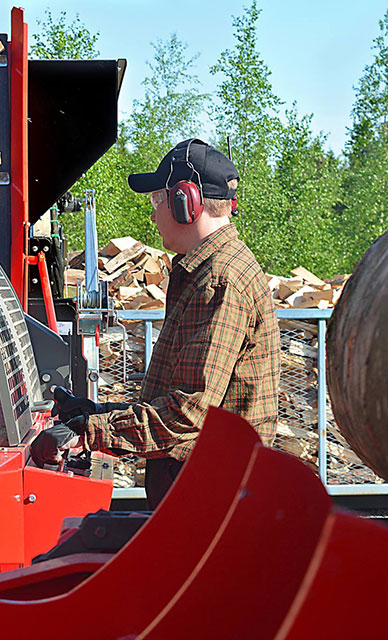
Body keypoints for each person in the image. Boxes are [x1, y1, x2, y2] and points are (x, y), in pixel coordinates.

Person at [31, 138, 280, 509]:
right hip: (205, 494)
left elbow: (188, 415)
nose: (153, 216)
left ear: (185, 202)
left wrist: (87, 433)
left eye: (156, 201)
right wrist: (96, 414)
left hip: (210, 503)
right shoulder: (209, 270)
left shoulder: (219, 280)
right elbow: (183, 400)